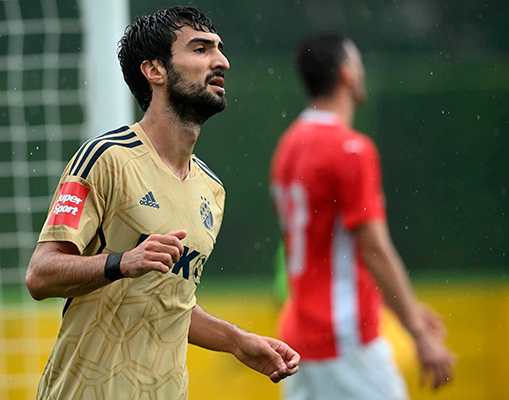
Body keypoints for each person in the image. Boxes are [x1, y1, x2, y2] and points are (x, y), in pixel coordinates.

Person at [25, 6, 299, 400]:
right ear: (154, 70)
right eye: (200, 49)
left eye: (219, 49)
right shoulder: (106, 158)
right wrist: (122, 261)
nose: (221, 61)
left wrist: (236, 341)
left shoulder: (211, 190)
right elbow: (40, 274)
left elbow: (170, 303)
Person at [269, 33, 455, 400]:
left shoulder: (288, 145)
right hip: (346, 339)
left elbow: (330, 250)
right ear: (347, 74)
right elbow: (374, 249)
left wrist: (406, 309)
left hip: (298, 339)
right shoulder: (351, 149)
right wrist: (418, 333)